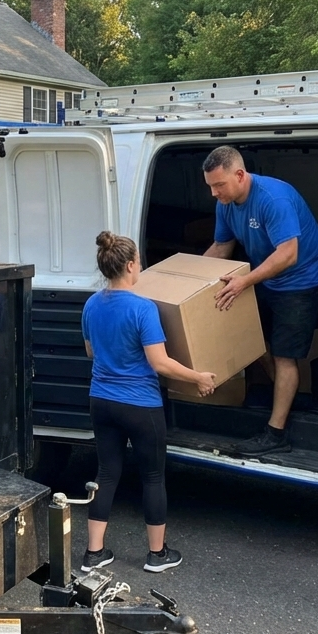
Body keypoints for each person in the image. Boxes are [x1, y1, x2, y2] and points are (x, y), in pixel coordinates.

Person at [80, 231, 217, 573]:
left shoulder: (91, 304)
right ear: (130, 265)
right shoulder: (144, 309)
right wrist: (198, 376)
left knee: (107, 473)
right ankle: (157, 555)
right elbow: (160, 363)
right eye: (139, 261)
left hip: (101, 400)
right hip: (140, 404)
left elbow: (91, 352)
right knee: (153, 476)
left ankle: (93, 553)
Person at [202, 146, 318, 456]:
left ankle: (276, 434)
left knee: (285, 355)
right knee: (253, 337)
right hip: (267, 276)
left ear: (239, 175)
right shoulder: (227, 202)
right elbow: (222, 247)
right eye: (210, 186)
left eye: (219, 185)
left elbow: (289, 254)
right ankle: (286, 397)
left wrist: (244, 281)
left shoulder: (273, 199)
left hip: (304, 279)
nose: (214, 193)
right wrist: (188, 279)